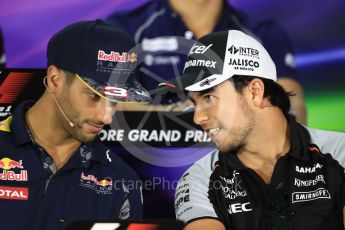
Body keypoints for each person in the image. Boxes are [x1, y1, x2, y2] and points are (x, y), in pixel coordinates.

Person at [158, 30, 345, 229]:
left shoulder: (339, 152)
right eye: (194, 102)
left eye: (208, 98)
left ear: (254, 92)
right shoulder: (199, 179)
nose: (198, 117)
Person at [0, 20, 151, 230]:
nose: (106, 117)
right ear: (55, 79)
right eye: (93, 96)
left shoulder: (122, 182)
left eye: (114, 101)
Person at [105, 0, 307, 124]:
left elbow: (292, 108)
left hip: (243, 179)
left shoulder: (265, 33)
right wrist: (180, 115)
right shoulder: (123, 28)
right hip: (149, 179)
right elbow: (109, 106)